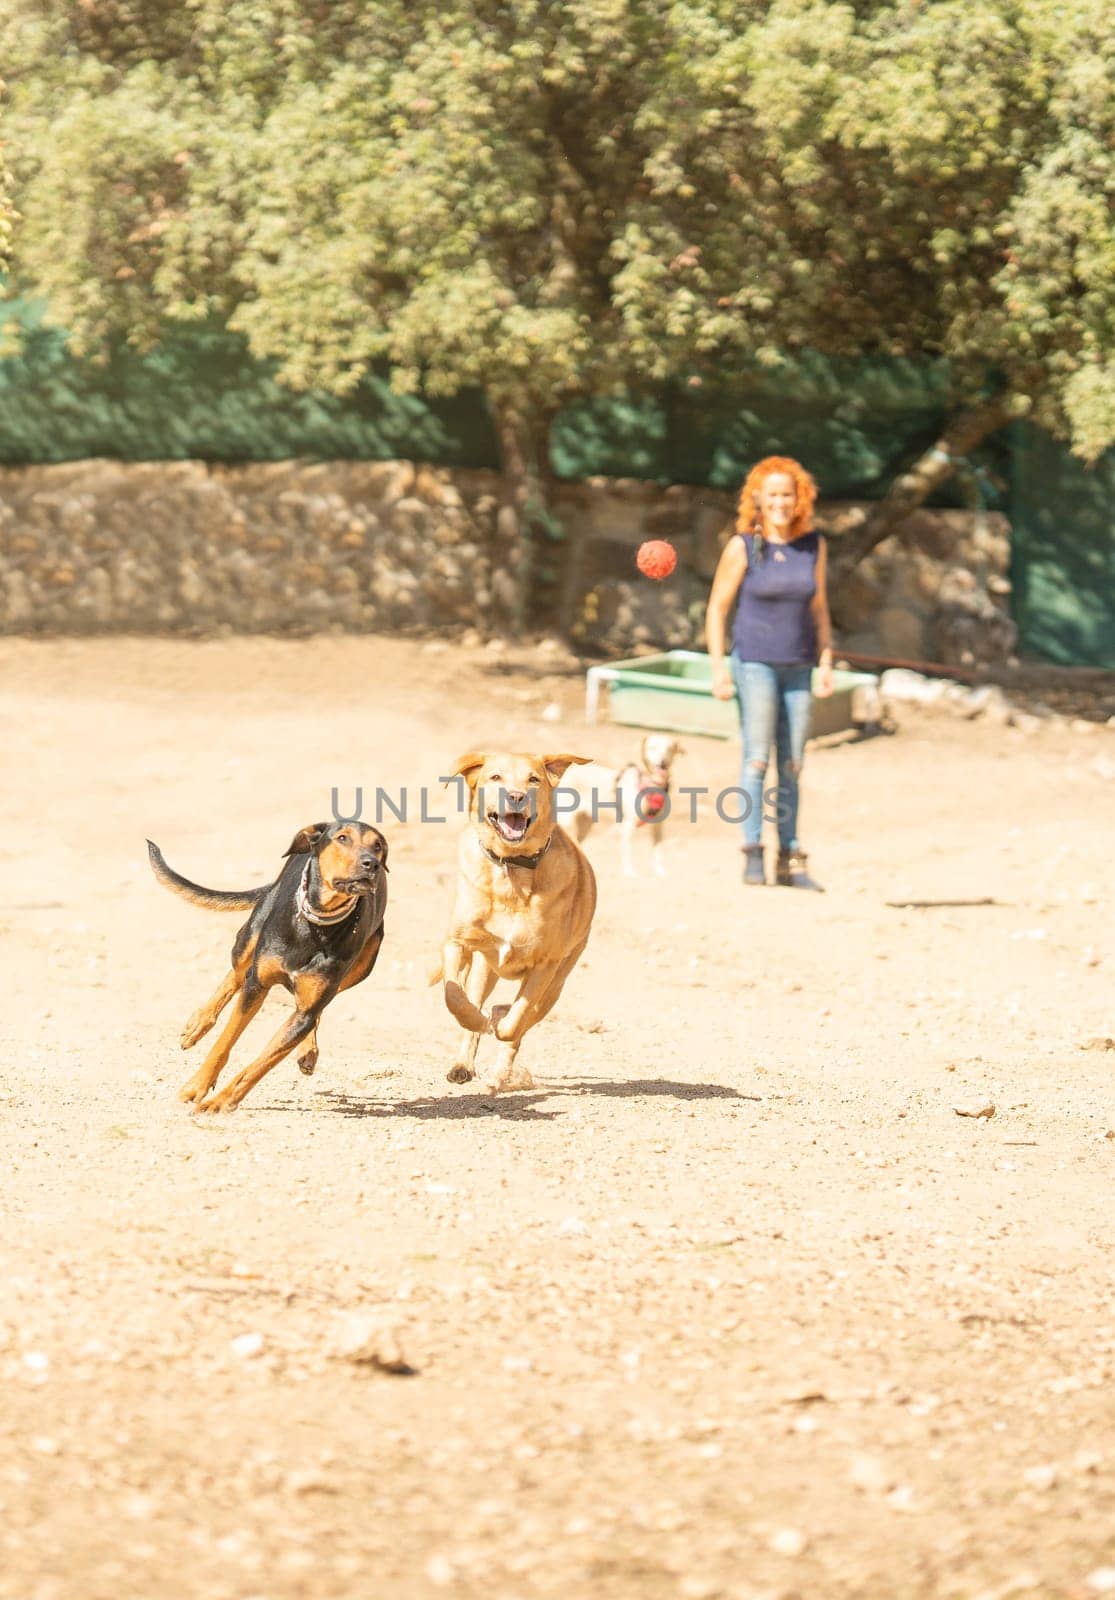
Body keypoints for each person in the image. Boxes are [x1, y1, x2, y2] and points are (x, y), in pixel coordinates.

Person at [705, 455, 834, 889]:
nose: (780, 502)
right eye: (772, 494)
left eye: (788, 494)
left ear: (799, 499)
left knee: (793, 764)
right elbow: (717, 609)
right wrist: (719, 669)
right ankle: (753, 851)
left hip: (799, 666)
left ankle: (790, 856)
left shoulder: (813, 546)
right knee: (757, 760)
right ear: (758, 498)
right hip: (755, 663)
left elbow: (819, 608)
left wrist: (827, 659)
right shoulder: (744, 547)